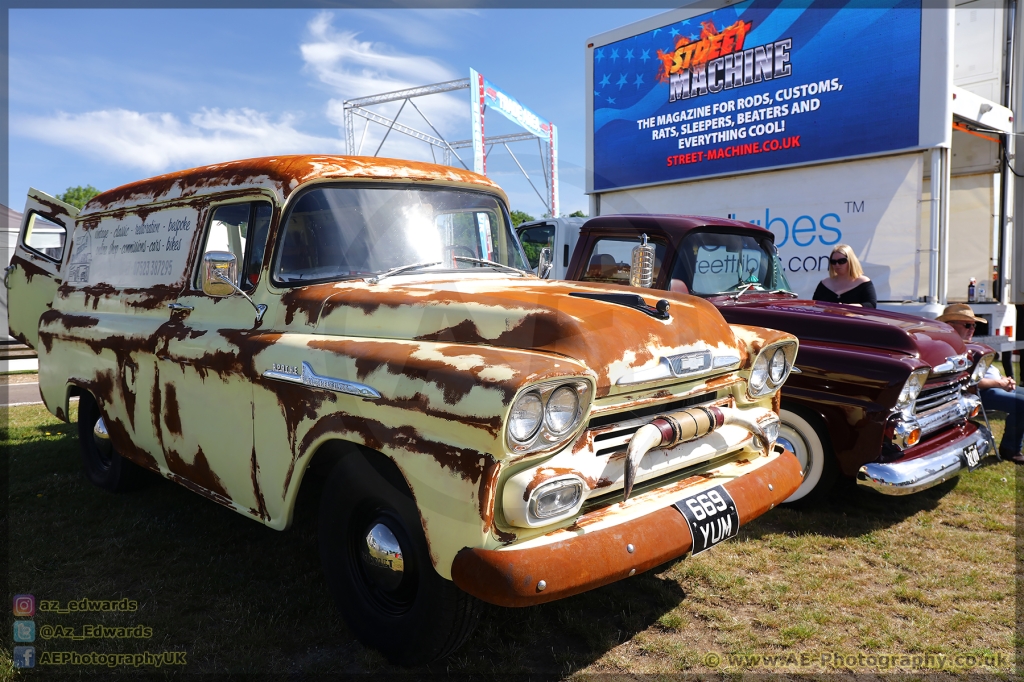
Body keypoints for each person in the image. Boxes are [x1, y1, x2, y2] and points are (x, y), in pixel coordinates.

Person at [937, 303, 1024, 463]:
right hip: (978, 393)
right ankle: (1011, 449)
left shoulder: (969, 344)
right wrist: (999, 383)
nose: (972, 329)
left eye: (974, 325)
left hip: (993, 386)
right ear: (950, 326)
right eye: (968, 325)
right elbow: (968, 382)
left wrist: (1004, 380)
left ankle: (1011, 446)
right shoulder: (951, 349)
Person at [812, 244, 877, 308]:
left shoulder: (863, 282)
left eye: (841, 261)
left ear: (851, 261)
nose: (837, 265)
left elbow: (871, 305)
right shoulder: (824, 284)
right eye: (833, 262)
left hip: (853, 318)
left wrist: (847, 308)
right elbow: (814, 306)